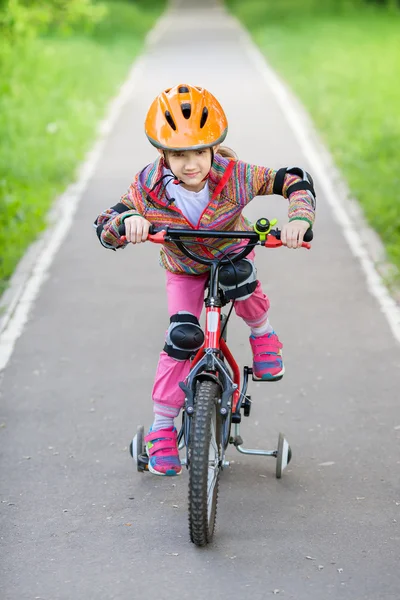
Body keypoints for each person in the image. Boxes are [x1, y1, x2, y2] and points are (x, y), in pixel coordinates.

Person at [94, 83, 316, 477]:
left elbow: (294, 181)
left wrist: (299, 219)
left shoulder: (236, 176)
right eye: (178, 154)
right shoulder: (147, 185)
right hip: (184, 267)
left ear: (214, 147)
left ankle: (263, 333)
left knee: (240, 277)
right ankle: (162, 428)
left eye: (199, 151)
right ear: (162, 154)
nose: (190, 163)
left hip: (232, 256)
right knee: (181, 338)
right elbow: (106, 223)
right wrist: (128, 223)